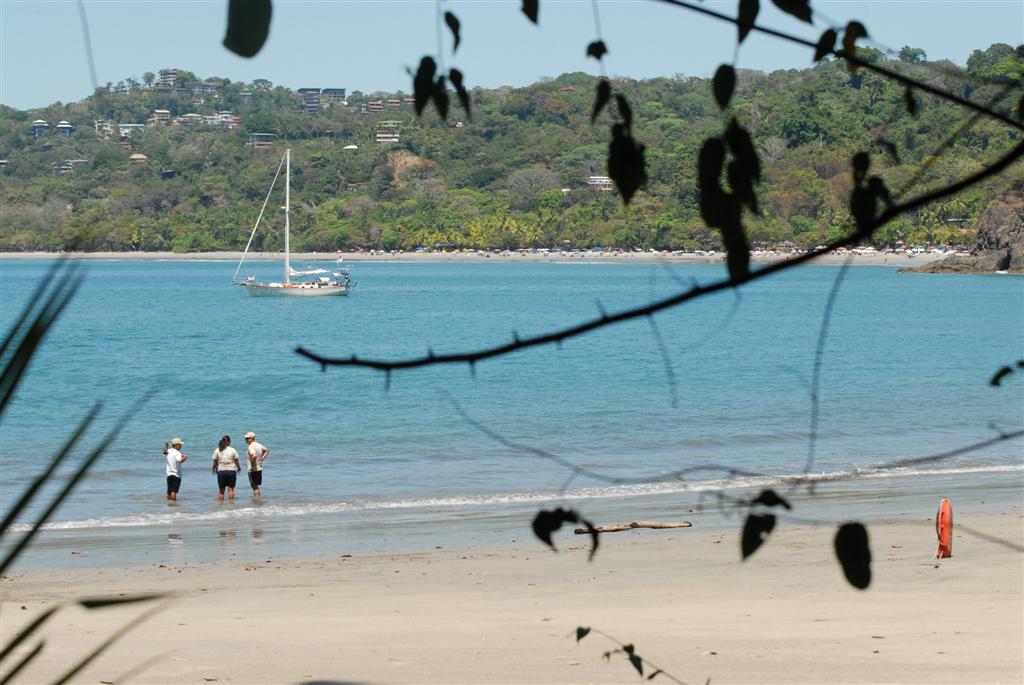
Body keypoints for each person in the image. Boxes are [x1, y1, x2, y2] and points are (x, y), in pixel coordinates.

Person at [211, 435, 241, 501]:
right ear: (229, 442)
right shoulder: (232, 450)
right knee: (230, 490)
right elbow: (236, 460)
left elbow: (215, 461)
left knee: (221, 490)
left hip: (221, 471)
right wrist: (239, 468)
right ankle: (231, 506)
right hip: (231, 471)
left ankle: (221, 507)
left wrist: (213, 469)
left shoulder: (217, 450)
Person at [244, 431, 269, 497]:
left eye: (247, 438)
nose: (246, 440)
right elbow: (266, 450)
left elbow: (254, 455)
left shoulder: (251, 446)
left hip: (253, 469)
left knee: (254, 487)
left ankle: (256, 502)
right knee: (256, 486)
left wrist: (252, 466)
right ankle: (258, 501)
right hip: (259, 468)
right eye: (245, 438)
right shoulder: (258, 444)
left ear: (252, 438)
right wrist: (262, 459)